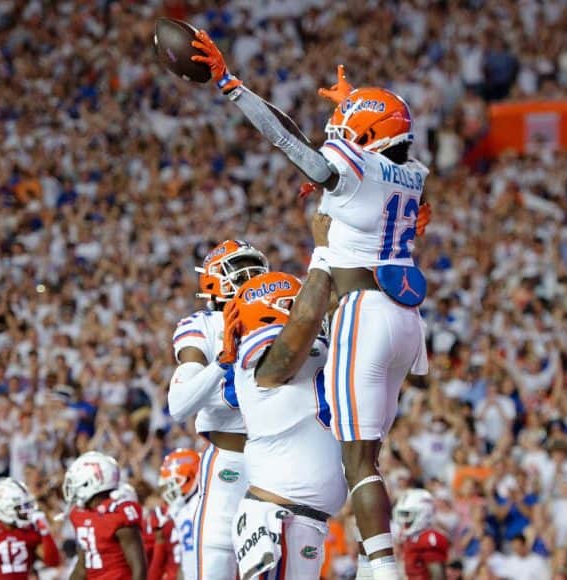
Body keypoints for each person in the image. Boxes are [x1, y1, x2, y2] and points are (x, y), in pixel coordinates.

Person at [192, 32, 431, 580]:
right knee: (367, 449)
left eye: (345, 127)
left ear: (362, 135)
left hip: (362, 309)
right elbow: (375, 184)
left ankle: (384, 572)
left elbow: (288, 139)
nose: (336, 134)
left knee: (360, 462)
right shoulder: (414, 176)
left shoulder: (354, 169)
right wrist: (354, 110)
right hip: (407, 319)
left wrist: (232, 86)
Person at [220, 218, 345, 579]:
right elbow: (306, 316)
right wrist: (322, 251)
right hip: (276, 523)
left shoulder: (311, 346)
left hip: (301, 523)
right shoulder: (260, 359)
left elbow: (338, 303)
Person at [167, 239, 269, 579]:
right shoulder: (204, 325)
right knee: (214, 567)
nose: (251, 276)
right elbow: (179, 403)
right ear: (213, 280)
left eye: (255, 268)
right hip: (230, 459)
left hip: (279, 459)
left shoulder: (281, 316)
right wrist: (223, 362)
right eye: (240, 269)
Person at [66, 451, 147, 580]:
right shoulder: (80, 515)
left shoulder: (117, 513)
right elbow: (82, 566)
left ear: (93, 481)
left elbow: (139, 568)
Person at [0, 477, 60, 579]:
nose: (26, 511)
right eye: (20, 508)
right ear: (4, 509)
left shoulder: (30, 530)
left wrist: (45, 532)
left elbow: (53, 562)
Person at [151, 448, 203, 580]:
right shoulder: (181, 510)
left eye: (172, 484)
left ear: (188, 478)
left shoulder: (202, 505)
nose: (168, 491)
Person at [393, 489, 449, 580]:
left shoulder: (430, 539)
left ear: (424, 513)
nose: (404, 520)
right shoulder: (409, 538)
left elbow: (437, 575)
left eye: (407, 514)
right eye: (402, 514)